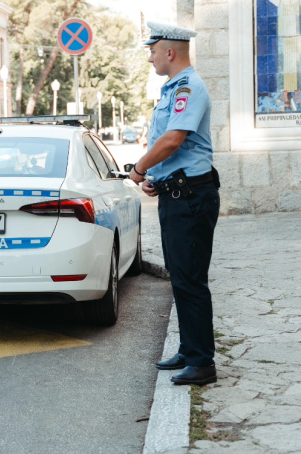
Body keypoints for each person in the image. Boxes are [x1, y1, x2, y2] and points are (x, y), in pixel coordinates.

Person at [129, 21, 220, 386]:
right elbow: (170, 149)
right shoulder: (172, 89)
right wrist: (159, 179)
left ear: (169, 52)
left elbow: (172, 140)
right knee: (180, 278)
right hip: (177, 193)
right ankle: (189, 348)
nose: (150, 57)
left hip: (192, 197)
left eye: (153, 50)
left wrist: (138, 170)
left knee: (191, 279)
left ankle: (202, 363)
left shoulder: (189, 88)